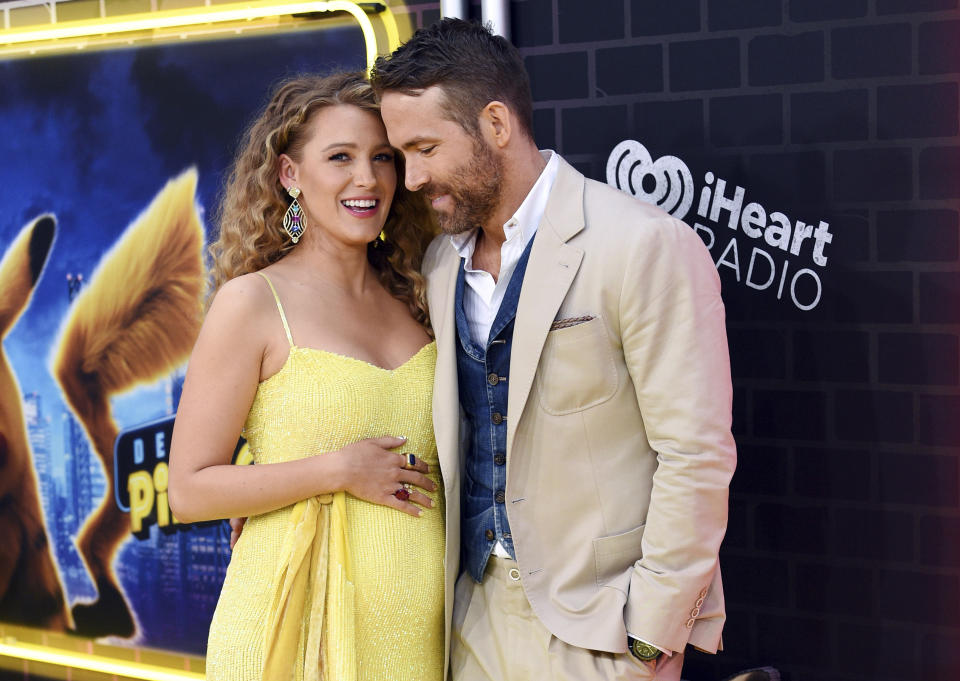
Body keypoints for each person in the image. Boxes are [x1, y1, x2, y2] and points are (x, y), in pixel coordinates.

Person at [370, 19, 737, 681]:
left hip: (598, 628)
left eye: (425, 147)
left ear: (496, 124)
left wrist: (652, 637)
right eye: (402, 154)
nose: (413, 176)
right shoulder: (440, 262)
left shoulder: (641, 244)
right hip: (469, 620)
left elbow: (696, 454)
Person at [167, 72, 444, 681]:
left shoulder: (424, 298)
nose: (366, 179)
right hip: (290, 635)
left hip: (417, 637)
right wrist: (335, 471)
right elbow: (187, 490)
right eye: (339, 157)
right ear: (290, 174)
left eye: (381, 158)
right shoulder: (252, 303)